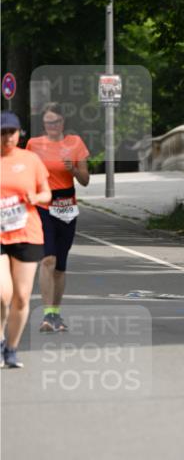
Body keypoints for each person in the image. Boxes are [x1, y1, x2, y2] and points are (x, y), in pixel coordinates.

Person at [26, 102, 90, 332]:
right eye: (47, 122)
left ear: (63, 122)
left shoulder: (75, 143)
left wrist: (73, 169)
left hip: (66, 208)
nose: (52, 125)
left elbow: (85, 180)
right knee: (48, 260)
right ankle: (47, 315)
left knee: (60, 266)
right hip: (43, 207)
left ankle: (55, 313)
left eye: (55, 121)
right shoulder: (33, 144)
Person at [1, 111, 51, 368]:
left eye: (11, 132)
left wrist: (36, 198)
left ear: (19, 133)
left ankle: (11, 348)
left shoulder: (30, 160)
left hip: (26, 233)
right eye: (2, 133)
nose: (7, 137)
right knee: (2, 294)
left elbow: (47, 193)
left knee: (21, 297)